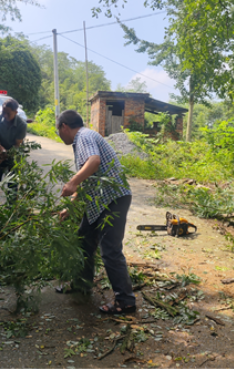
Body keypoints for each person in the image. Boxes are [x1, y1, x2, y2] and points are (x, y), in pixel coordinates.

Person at [55, 110, 136, 314]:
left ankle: (125, 301)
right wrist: (71, 208)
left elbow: (94, 162)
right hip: (99, 202)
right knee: (84, 240)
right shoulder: (83, 139)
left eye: (58, 130)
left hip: (112, 200)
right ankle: (82, 285)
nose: (59, 135)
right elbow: (88, 180)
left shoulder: (84, 136)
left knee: (110, 250)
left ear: (64, 126)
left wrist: (72, 182)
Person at [0, 98, 27, 208]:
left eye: (8, 113)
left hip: (14, 154)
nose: (5, 115)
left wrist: (5, 155)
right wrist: (1, 149)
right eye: (3, 111)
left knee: (13, 184)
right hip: (0, 151)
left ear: (15, 112)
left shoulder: (22, 124)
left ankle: (11, 210)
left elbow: (17, 145)